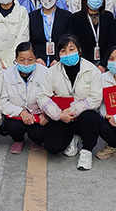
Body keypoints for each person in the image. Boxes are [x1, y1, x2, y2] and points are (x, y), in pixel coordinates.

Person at [36, 35, 103, 170]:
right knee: (52, 147)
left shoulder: (92, 70)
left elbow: (96, 98)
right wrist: (58, 115)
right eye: (63, 51)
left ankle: (86, 151)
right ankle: (73, 137)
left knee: (91, 117)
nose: (68, 54)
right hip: (61, 116)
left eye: (71, 49)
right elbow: (42, 96)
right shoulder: (52, 72)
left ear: (79, 50)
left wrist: (73, 110)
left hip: (83, 116)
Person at [0, 42, 48, 154]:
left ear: (36, 58)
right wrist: (21, 112)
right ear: (16, 59)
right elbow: (2, 102)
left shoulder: (45, 72)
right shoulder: (7, 74)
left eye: (30, 60)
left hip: (38, 115)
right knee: (12, 126)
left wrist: (46, 113)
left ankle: (35, 140)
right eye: (22, 60)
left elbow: (51, 96)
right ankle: (18, 140)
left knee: (38, 134)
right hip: (17, 116)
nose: (26, 64)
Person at [68, 0, 116, 69]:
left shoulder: (108, 17)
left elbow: (112, 42)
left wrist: (103, 64)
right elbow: (74, 43)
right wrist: (88, 65)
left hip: (105, 65)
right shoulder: (76, 18)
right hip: (84, 65)